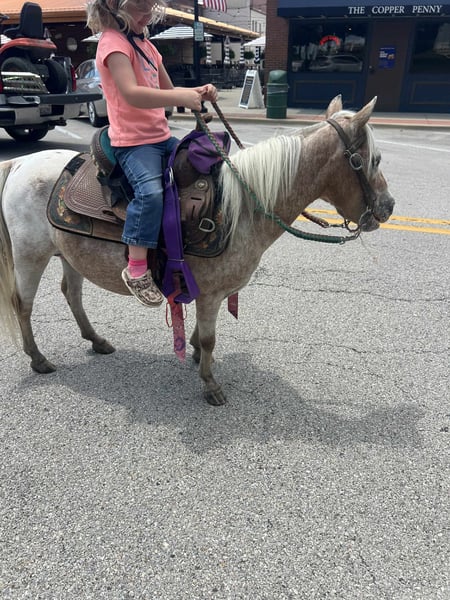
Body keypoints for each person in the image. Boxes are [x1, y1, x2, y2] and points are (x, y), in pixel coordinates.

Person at [86, 0, 218, 307]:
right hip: (133, 142)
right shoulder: (113, 44)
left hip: (161, 136)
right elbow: (132, 94)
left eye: (150, 8)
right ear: (114, 7)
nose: (147, 15)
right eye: (140, 8)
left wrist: (198, 92)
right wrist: (181, 97)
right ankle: (136, 268)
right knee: (150, 194)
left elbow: (168, 91)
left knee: (207, 167)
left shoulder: (147, 45)